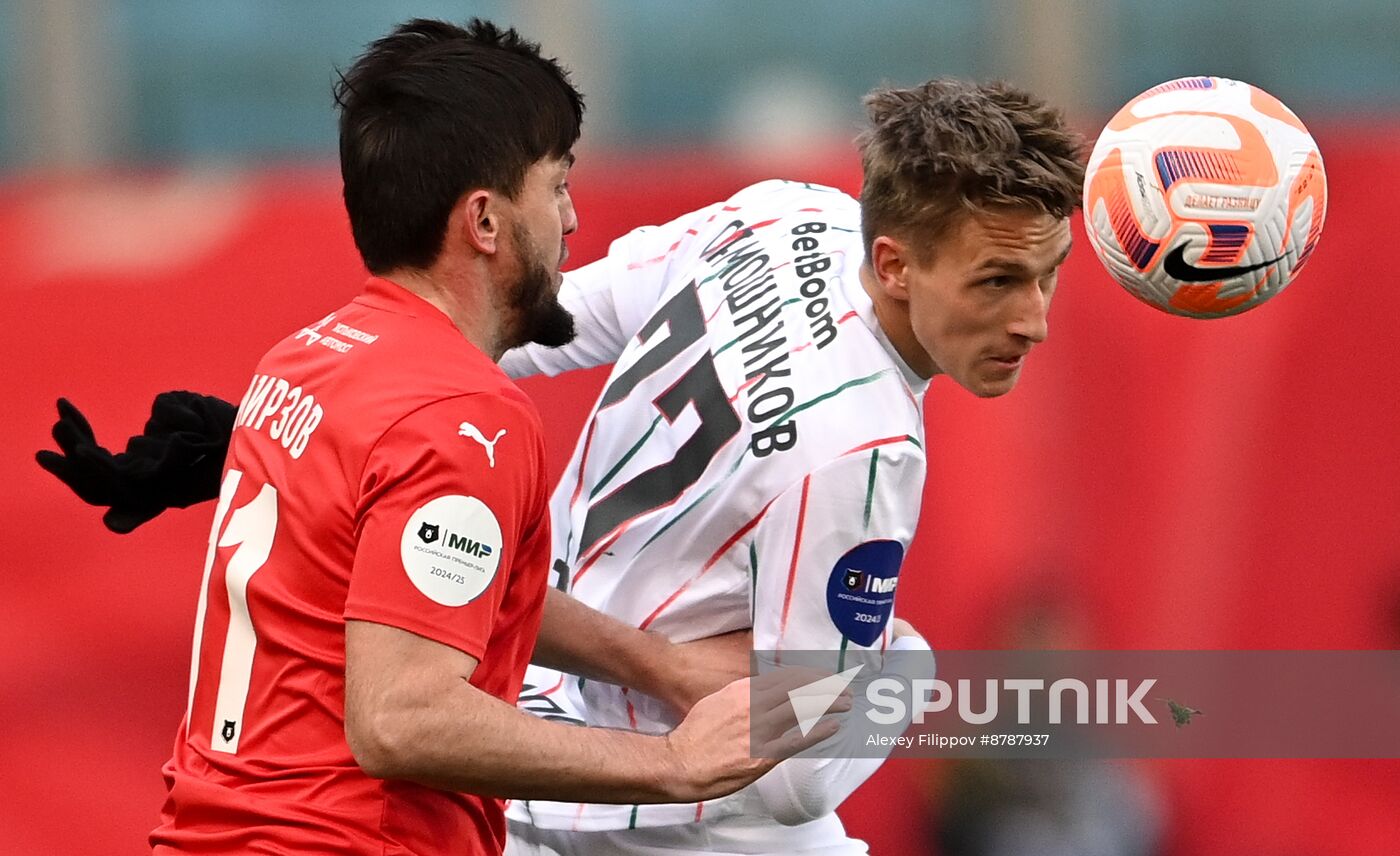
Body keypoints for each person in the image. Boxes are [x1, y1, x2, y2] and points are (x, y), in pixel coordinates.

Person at [39, 77, 1085, 854]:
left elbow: (531, 320)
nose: (1032, 320)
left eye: (1047, 274)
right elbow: (786, 777)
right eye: (997, 280)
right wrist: (892, 679)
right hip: (635, 810)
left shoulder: (784, 220)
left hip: (521, 711)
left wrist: (304, 427)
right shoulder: (864, 454)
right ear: (895, 264)